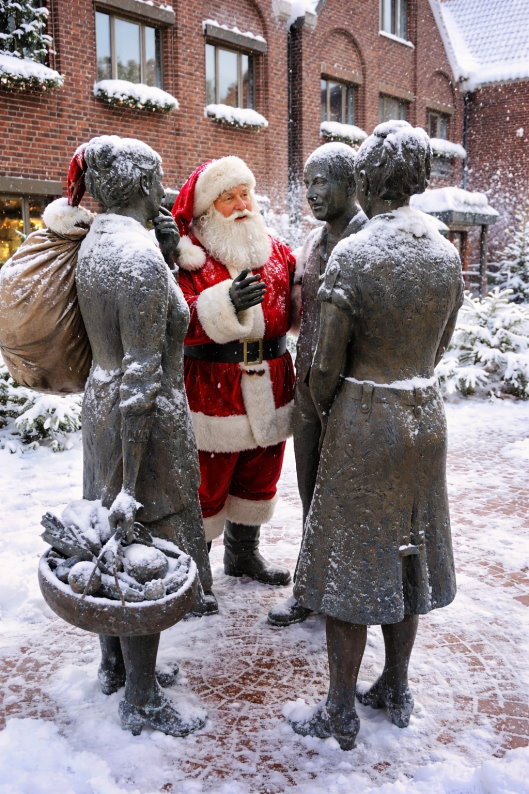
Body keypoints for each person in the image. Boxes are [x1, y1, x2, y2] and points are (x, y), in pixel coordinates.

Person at [288, 121, 464, 750]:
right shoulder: (445, 253)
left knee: (348, 567)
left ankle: (340, 707)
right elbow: (440, 346)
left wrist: (330, 404)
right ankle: (396, 682)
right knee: (407, 556)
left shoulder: (355, 255)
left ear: (367, 177)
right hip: (423, 416)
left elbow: (326, 366)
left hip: (365, 420)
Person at [75, 135, 214, 737]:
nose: (165, 192)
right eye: (158, 180)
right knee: (141, 543)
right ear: (135, 185)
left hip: (104, 405)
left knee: (110, 531)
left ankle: (115, 664)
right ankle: (139, 694)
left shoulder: (103, 242)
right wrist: (130, 481)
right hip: (141, 420)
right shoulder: (133, 258)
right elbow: (142, 373)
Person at [171, 157, 296, 586]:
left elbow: (302, 304)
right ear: (208, 209)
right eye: (229, 197)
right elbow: (176, 322)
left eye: (246, 194)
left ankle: (244, 555)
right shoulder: (188, 260)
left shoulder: (277, 250)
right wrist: (225, 304)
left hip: (273, 384)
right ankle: (194, 572)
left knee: (260, 476)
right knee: (206, 485)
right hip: (213, 390)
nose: (243, 204)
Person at [268, 143, 368, 627]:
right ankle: (309, 586)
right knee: (310, 491)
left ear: (351, 185)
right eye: (308, 183)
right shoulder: (311, 243)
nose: (312, 193)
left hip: (351, 392)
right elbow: (294, 313)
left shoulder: (368, 242)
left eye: (322, 182)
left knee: (345, 497)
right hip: (308, 388)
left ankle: (345, 590)